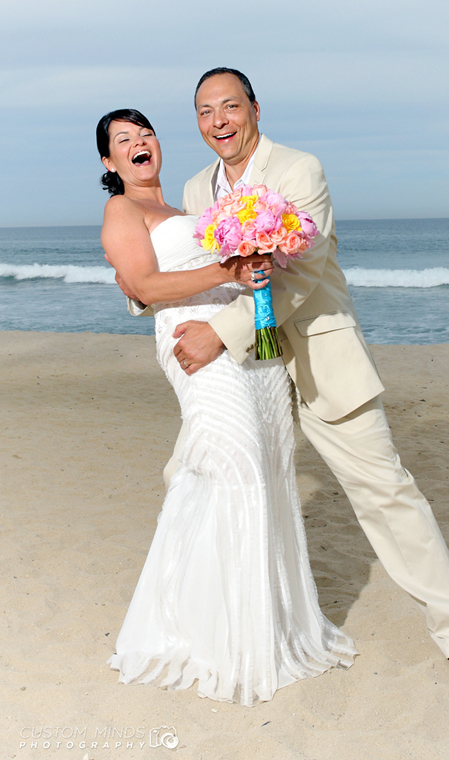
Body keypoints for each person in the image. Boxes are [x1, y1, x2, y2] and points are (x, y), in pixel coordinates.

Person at [124, 69, 449, 685]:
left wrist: (222, 331)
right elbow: (187, 261)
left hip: (317, 357)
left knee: (384, 490)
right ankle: (195, 622)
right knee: (192, 475)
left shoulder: (299, 170)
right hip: (243, 373)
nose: (219, 121)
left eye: (230, 107)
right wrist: (138, 293)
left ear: (254, 109)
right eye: (205, 112)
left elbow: (299, 271)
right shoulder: (195, 187)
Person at [97, 108, 356, 706]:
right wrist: (227, 266)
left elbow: (223, 272)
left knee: (262, 468)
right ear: (110, 163)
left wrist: (254, 270)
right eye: (124, 141)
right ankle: (220, 641)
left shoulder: (192, 205)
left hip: (247, 342)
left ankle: (262, 626)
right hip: (195, 346)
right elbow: (145, 287)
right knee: (237, 468)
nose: (140, 144)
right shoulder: (122, 210)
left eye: (145, 134)